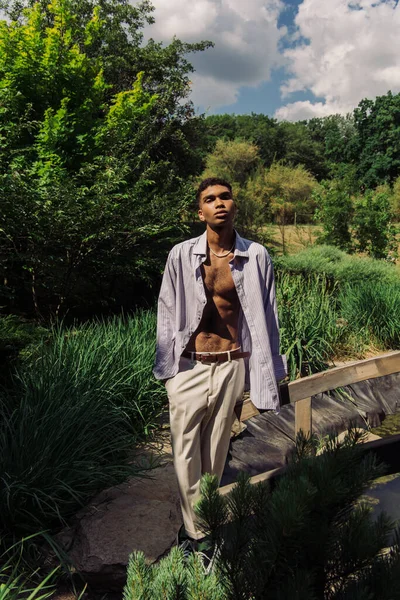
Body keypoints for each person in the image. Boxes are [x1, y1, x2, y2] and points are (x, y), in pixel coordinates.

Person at [153, 177, 286, 549]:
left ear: (235, 205)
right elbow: (166, 311)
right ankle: (196, 534)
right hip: (189, 367)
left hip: (231, 365)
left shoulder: (256, 256)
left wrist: (272, 373)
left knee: (215, 455)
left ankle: (203, 528)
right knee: (184, 452)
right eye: (210, 199)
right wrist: (169, 373)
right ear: (201, 212)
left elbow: (269, 319)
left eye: (225, 196)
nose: (219, 203)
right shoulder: (180, 254)